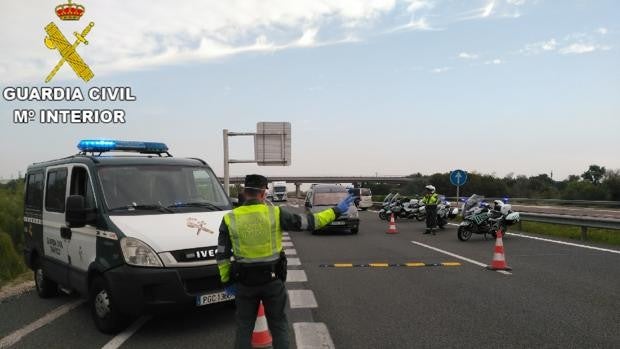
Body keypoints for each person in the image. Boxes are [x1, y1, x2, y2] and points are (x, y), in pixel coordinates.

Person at [217, 174, 355, 349]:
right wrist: (336, 210)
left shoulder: (230, 218)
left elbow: (221, 254)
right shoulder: (275, 213)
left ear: (245, 192)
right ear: (263, 194)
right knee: (278, 325)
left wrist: (226, 281)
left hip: (244, 283)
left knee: (244, 327)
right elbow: (310, 222)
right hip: (272, 281)